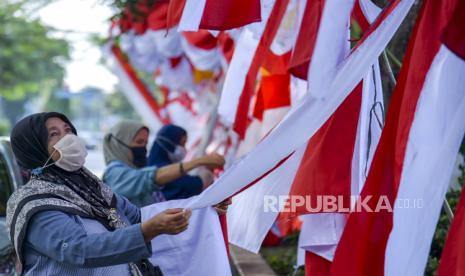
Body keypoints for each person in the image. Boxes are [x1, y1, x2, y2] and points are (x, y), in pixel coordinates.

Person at [6, 112, 192, 275]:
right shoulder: (35, 203)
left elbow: (138, 216)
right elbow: (80, 249)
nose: (68, 138)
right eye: (54, 134)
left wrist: (199, 208)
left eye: (68, 130)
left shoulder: (93, 188)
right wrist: (147, 231)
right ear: (34, 147)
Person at [103, 121, 225, 206]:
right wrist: (199, 162)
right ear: (119, 144)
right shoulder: (114, 172)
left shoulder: (137, 167)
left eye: (145, 143)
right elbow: (148, 178)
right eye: (139, 142)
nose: (143, 148)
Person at [147, 124, 222, 201]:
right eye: (182, 144)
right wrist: (206, 168)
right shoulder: (160, 172)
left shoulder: (149, 165)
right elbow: (195, 185)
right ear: (169, 143)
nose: (184, 149)